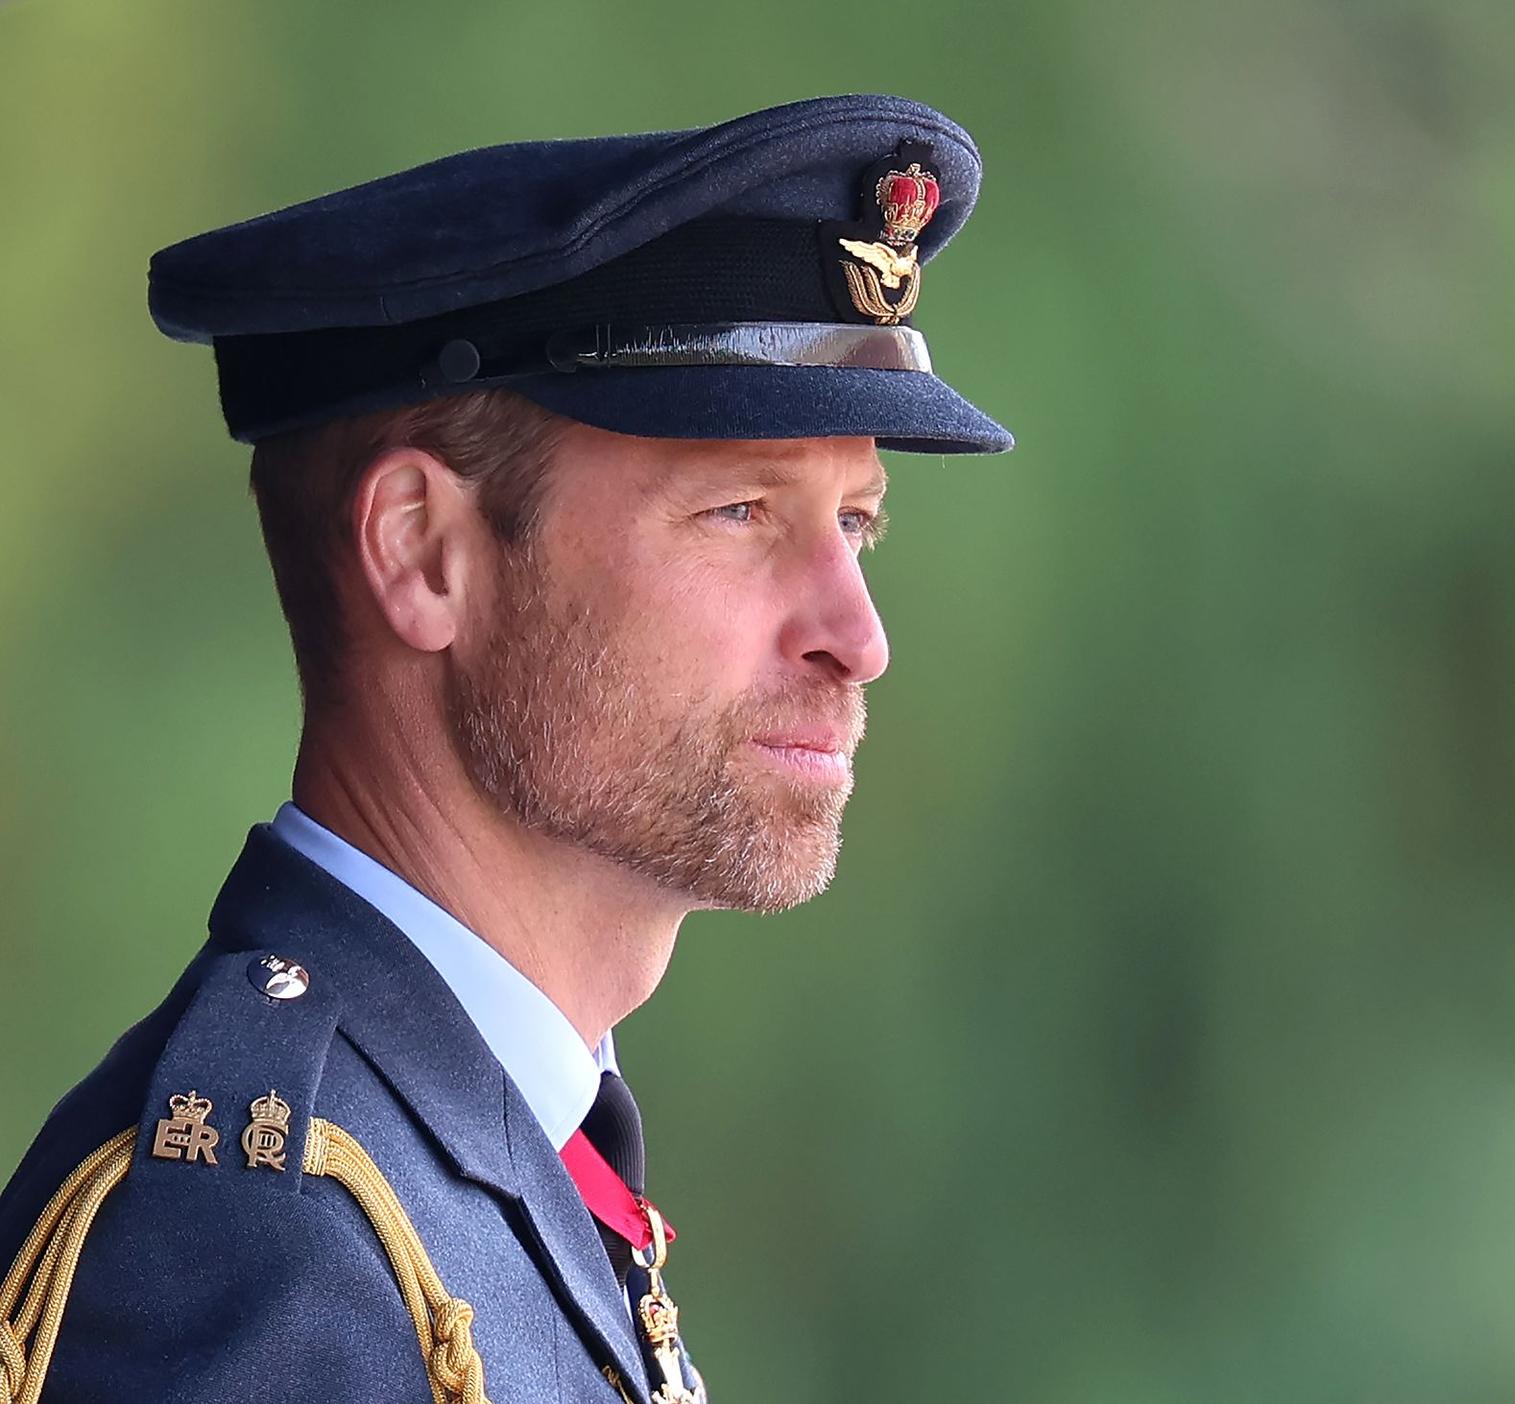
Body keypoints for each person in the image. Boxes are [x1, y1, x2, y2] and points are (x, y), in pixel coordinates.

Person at [0, 93, 1010, 1404]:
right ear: (424, 551)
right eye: (742, 510)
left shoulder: (500, 1156)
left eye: (856, 524)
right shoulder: (259, 1247)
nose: (855, 636)